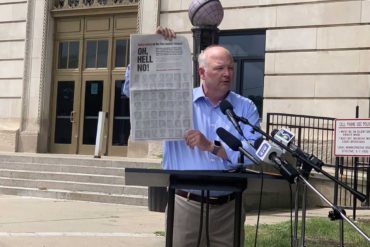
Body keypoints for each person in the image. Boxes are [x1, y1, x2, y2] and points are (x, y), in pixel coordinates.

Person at [124, 27, 261, 247]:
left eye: (230, 68)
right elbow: (135, 90)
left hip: (229, 208)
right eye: (220, 68)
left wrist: (212, 146)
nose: (227, 74)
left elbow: (253, 153)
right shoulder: (178, 101)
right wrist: (153, 45)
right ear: (202, 73)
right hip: (185, 204)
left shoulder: (245, 108)